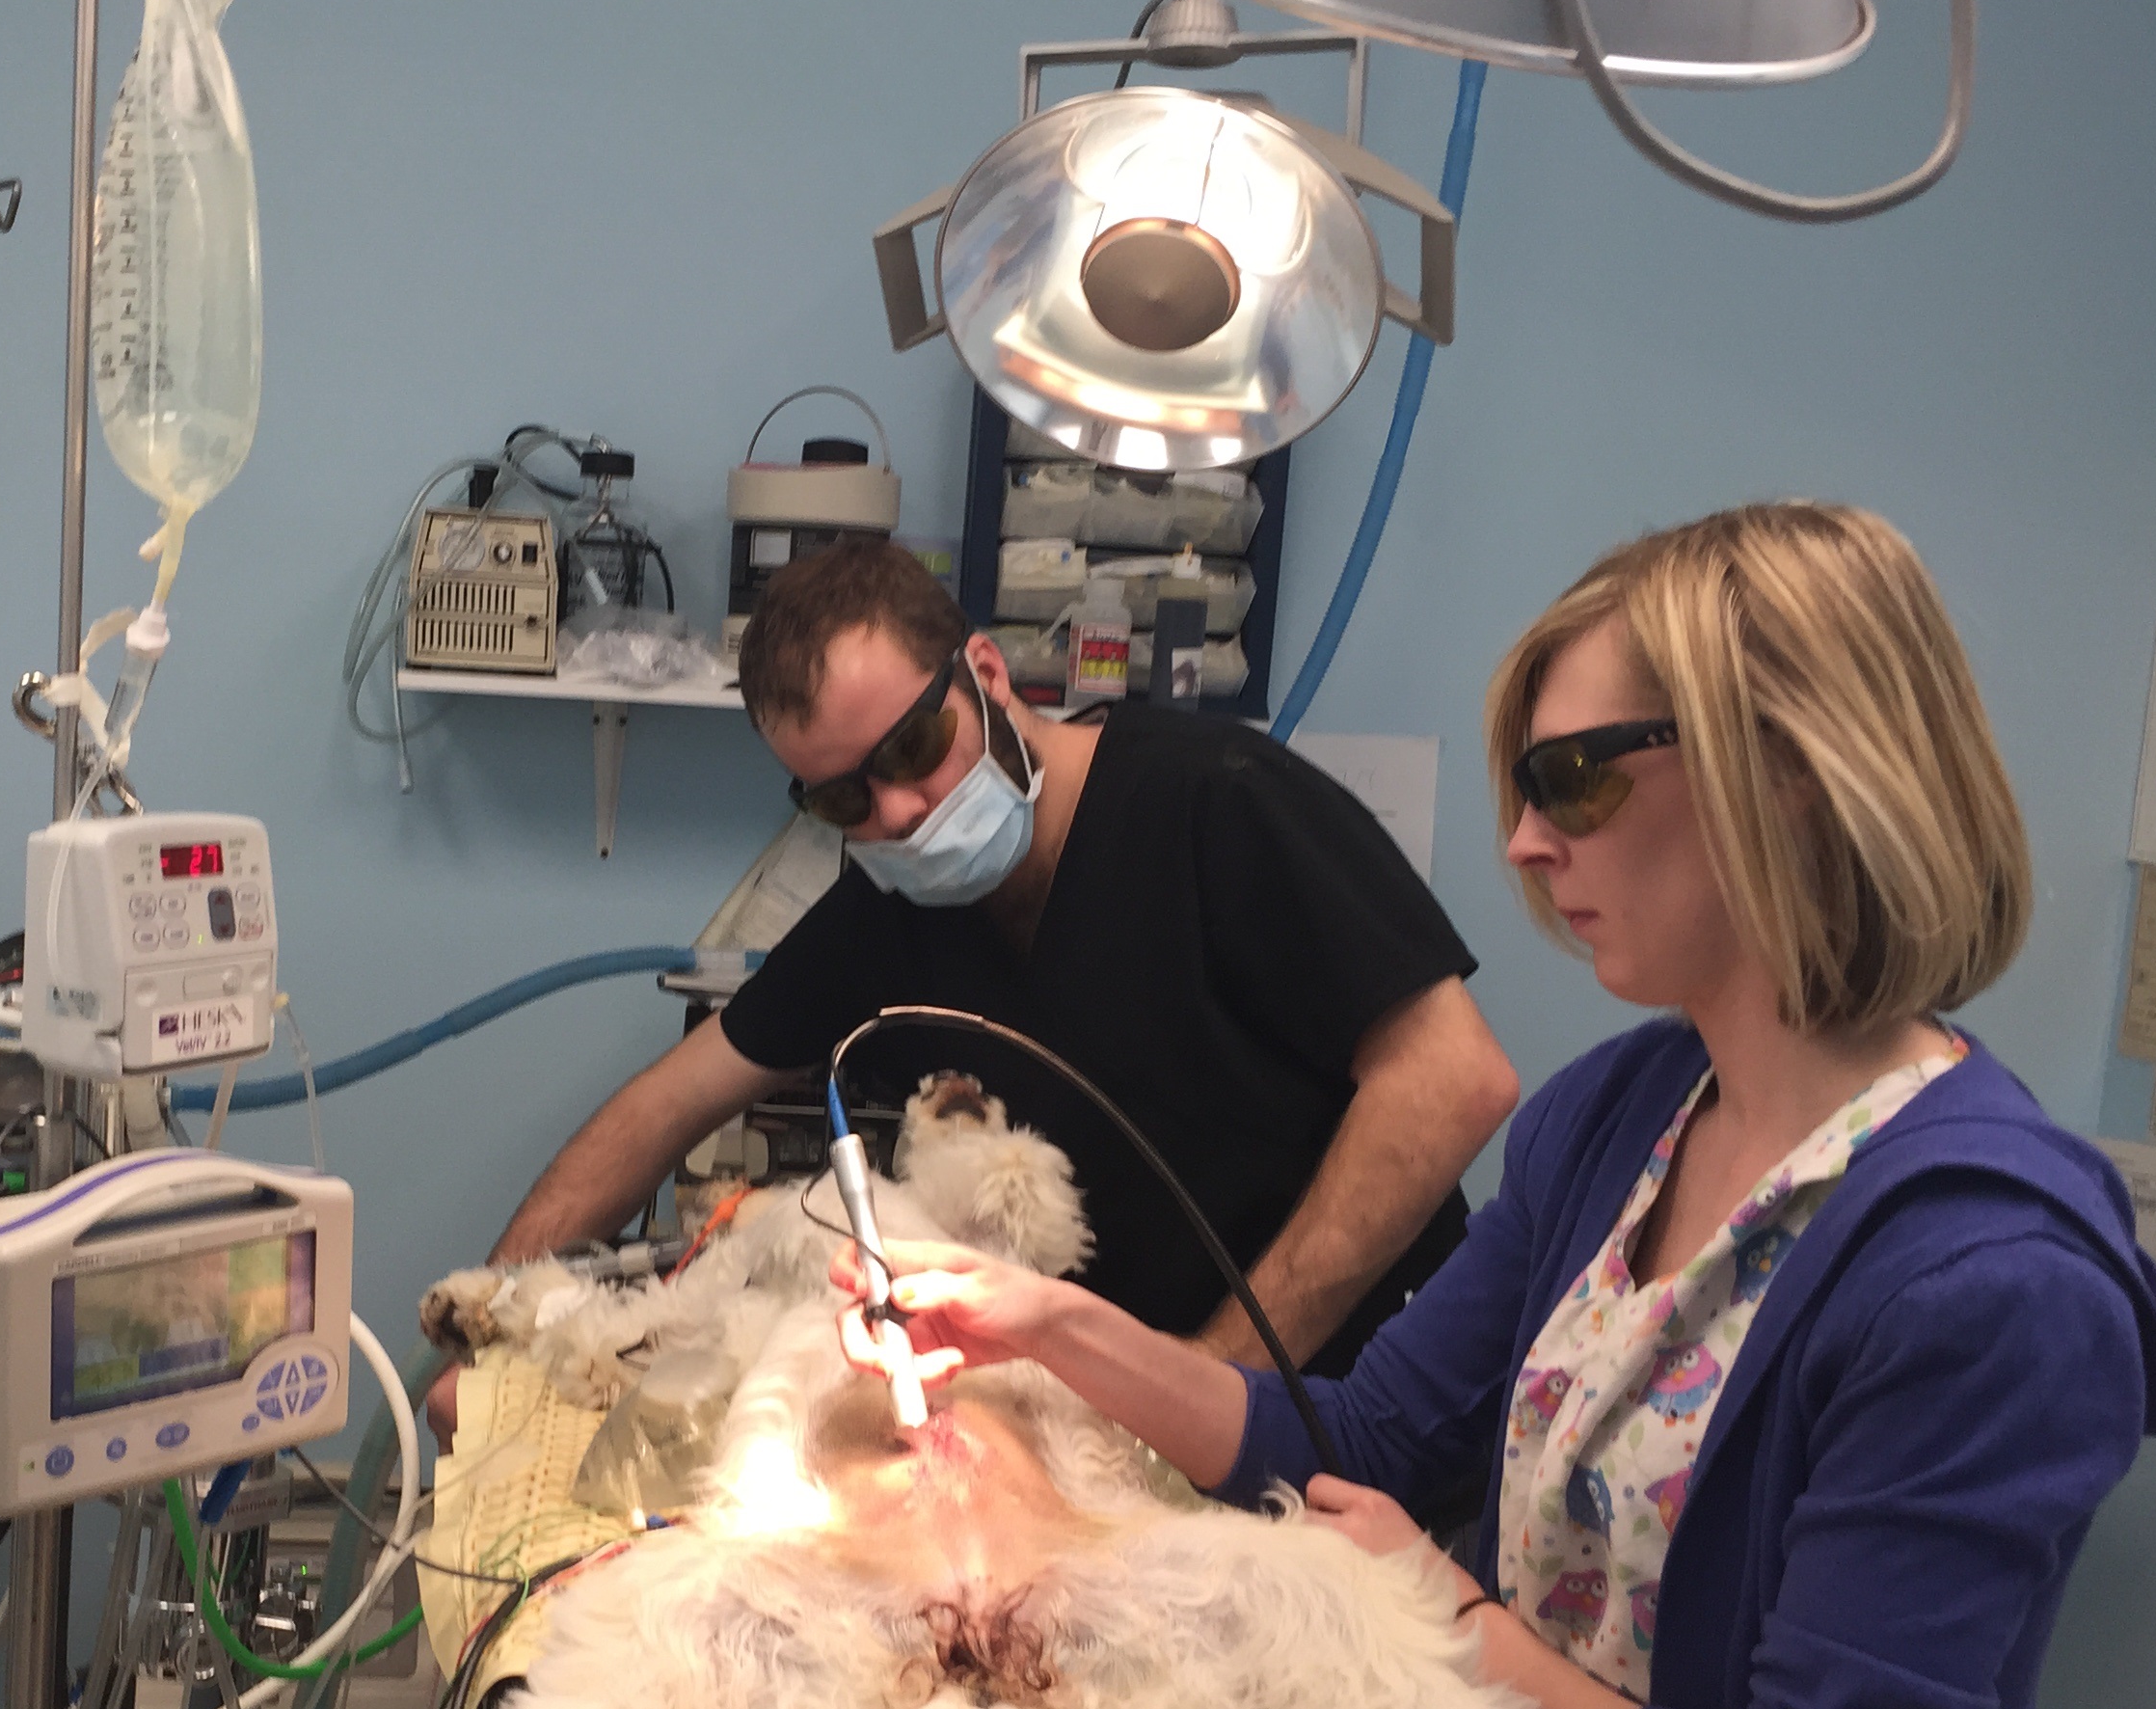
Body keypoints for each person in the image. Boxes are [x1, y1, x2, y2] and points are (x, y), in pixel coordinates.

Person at [842, 503, 2156, 1709]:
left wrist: (1472, 1629)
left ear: (1787, 768)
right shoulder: (1618, 1114)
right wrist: (1040, 1327)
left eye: (1569, 779)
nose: (1514, 840)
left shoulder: (1983, 1285)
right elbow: (1355, 1435)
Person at [428, 535, 1518, 1437]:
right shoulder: (890, 917)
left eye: (915, 746)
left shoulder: (1215, 808)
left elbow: (1453, 1080)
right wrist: (508, 1321)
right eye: (842, 801)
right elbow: (666, 1105)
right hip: (1125, 1432)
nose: (896, 813)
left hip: (1367, 1414)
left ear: (987, 677)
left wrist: (1208, 1384)